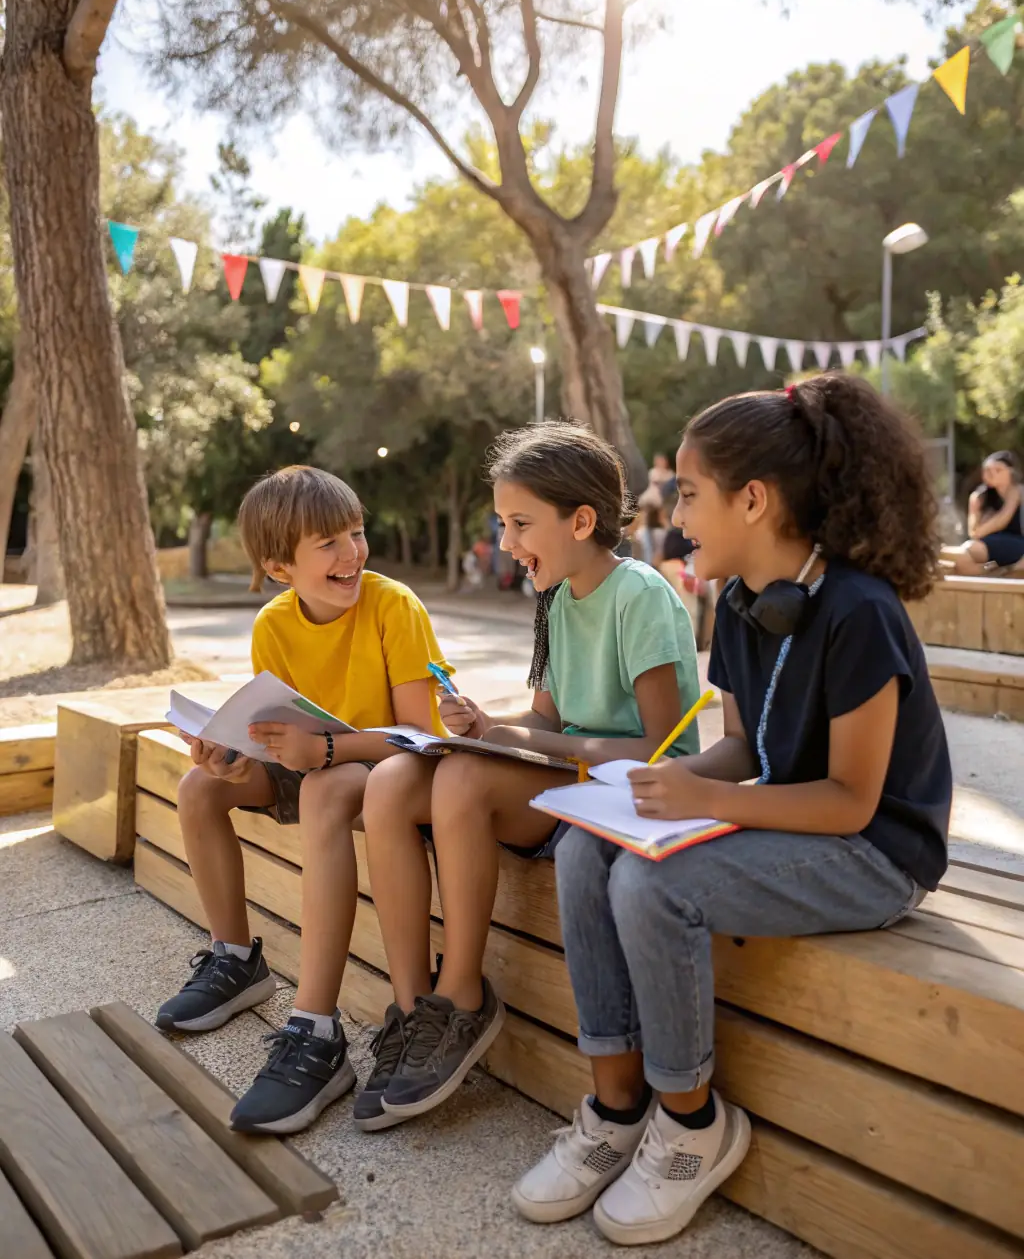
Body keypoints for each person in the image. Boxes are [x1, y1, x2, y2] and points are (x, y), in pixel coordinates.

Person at [513, 375, 951, 1246]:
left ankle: (690, 1124)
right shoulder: (746, 606)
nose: (676, 517)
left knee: (652, 885)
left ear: (754, 499)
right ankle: (615, 1104)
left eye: (689, 492)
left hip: (875, 851)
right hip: (802, 823)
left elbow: (853, 801)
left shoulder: (860, 612)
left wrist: (708, 800)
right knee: (584, 848)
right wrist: (643, 788)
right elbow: (743, 748)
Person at [356, 421, 702, 1131]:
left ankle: (462, 998)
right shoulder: (557, 595)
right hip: (560, 780)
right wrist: (490, 726)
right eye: (502, 523)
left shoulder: (640, 594)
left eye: (519, 523)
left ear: (581, 520)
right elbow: (548, 718)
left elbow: (658, 747)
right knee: (392, 780)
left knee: (459, 782)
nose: (507, 543)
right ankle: (412, 1004)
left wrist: (521, 745)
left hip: (618, 798)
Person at [155, 465, 453, 1135]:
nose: (352, 552)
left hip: (382, 770)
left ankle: (316, 1030)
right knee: (199, 785)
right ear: (279, 565)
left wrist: (324, 752)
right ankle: (235, 959)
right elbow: (274, 731)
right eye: (329, 542)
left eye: (356, 531)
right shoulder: (274, 624)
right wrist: (232, 756)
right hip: (311, 765)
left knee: (321, 787)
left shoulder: (392, 605)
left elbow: (419, 737)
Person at [941, 450, 1024, 574]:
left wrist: (988, 522)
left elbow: (1002, 520)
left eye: (998, 470)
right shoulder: (979, 497)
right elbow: (974, 533)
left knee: (969, 549)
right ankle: (994, 573)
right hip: (987, 544)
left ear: (1011, 472)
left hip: (1017, 543)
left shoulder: (1018, 491)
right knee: (964, 555)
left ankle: (1001, 571)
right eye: (987, 470)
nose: (991, 474)